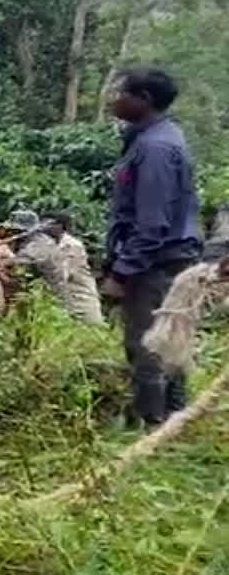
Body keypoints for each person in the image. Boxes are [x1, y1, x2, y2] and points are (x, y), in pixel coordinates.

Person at [103, 68, 201, 427]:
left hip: (156, 263)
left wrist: (122, 272)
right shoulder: (153, 139)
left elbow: (152, 222)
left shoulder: (155, 147)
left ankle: (152, 425)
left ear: (143, 99)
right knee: (169, 339)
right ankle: (177, 419)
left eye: (121, 92)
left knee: (147, 344)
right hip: (166, 259)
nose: (114, 99)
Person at [41, 212, 104, 324]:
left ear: (61, 226)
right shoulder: (48, 245)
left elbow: (64, 274)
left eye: (49, 224)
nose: (43, 227)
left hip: (80, 301)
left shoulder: (72, 245)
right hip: (62, 302)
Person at [6, 210, 68, 301]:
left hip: (47, 296)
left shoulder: (38, 245)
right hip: (39, 293)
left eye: (13, 230)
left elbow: (18, 265)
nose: (10, 233)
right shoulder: (30, 242)